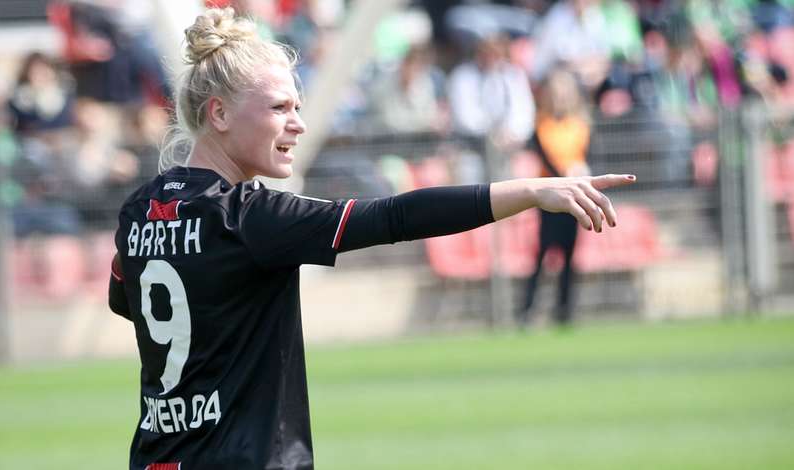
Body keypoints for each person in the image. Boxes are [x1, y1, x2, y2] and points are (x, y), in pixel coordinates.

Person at [108, 7, 635, 469]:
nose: (298, 125)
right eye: (279, 108)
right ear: (218, 113)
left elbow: (125, 299)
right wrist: (529, 189)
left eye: (297, 106)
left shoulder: (138, 211)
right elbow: (396, 217)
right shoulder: (251, 217)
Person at [517, 67, 593, 327]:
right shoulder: (541, 126)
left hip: (576, 198)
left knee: (570, 255)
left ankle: (564, 310)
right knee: (543, 254)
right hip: (549, 198)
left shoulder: (580, 127)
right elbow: (546, 160)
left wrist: (581, 174)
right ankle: (527, 310)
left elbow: (587, 157)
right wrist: (565, 175)